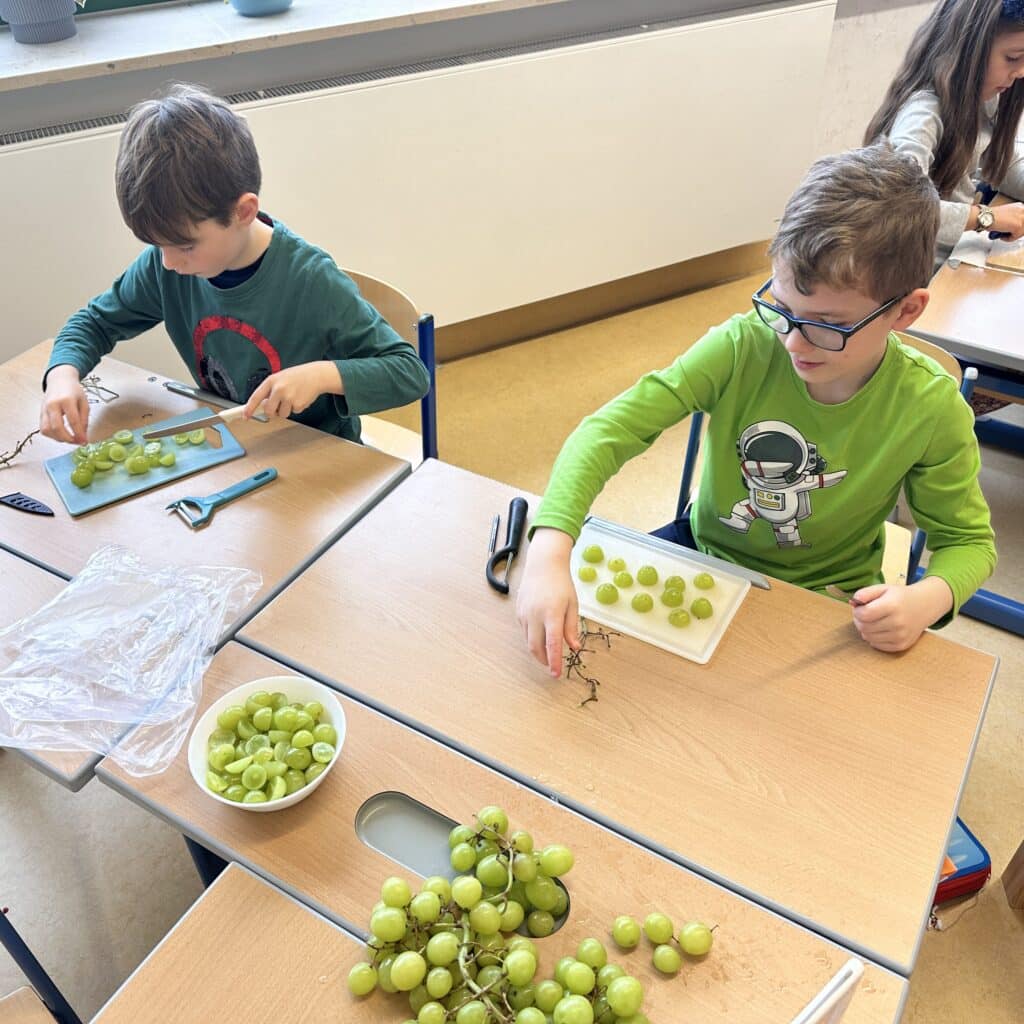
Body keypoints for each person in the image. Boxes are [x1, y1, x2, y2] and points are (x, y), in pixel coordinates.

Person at [516, 143, 996, 676]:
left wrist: (929, 598)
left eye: (827, 324)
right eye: (782, 309)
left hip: (828, 594)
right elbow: (609, 430)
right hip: (703, 550)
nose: (793, 342)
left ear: (906, 311)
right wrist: (549, 549)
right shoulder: (745, 345)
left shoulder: (928, 407)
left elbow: (968, 542)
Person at [39, 84, 430, 446]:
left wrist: (320, 375)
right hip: (237, 447)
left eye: (185, 246)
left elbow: (408, 373)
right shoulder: (166, 265)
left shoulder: (311, 281)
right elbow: (93, 322)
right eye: (157, 246)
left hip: (317, 454)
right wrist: (62, 376)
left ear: (243, 212)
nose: (170, 263)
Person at [865, 0, 1024, 263]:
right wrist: (986, 217)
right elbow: (899, 207)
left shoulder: (982, 98)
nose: (1020, 72)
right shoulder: (924, 113)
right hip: (911, 271)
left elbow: (1000, 161)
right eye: (1012, 58)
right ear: (969, 47)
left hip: (953, 255)